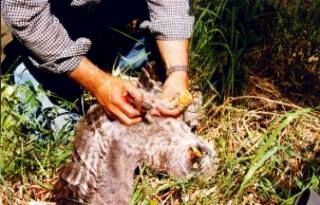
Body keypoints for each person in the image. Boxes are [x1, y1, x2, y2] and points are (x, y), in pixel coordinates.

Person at [1, 0, 194, 125]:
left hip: (110, 15)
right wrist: (99, 82)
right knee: (61, 130)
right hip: (46, 25)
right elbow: (28, 20)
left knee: (153, 108)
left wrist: (177, 72)